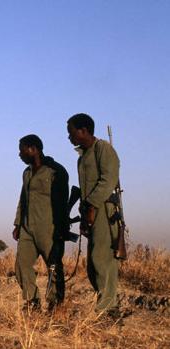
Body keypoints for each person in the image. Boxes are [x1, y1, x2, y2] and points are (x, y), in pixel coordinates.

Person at [67, 113, 121, 316]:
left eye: (71, 132)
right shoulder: (83, 157)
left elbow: (108, 181)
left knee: (102, 259)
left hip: (104, 212)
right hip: (90, 212)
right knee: (92, 264)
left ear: (83, 131)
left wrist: (91, 206)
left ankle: (110, 309)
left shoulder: (103, 149)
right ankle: (106, 304)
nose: (69, 137)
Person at [13, 134, 69, 312]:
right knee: (21, 264)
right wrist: (17, 224)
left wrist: (61, 228)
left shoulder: (56, 171)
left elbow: (62, 203)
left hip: (49, 227)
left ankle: (55, 303)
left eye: (21, 150)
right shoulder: (27, 173)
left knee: (53, 266)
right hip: (27, 228)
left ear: (33, 149)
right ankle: (32, 302)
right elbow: (23, 199)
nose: (19, 154)